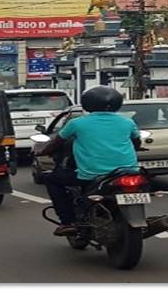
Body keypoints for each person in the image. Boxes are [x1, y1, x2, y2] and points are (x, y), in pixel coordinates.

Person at [37, 86, 141, 237]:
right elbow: (136, 142)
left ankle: (67, 222)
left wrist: (42, 152)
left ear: (87, 103)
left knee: (51, 179)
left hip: (92, 174)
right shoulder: (127, 122)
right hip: (128, 172)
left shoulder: (77, 123)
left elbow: (57, 142)